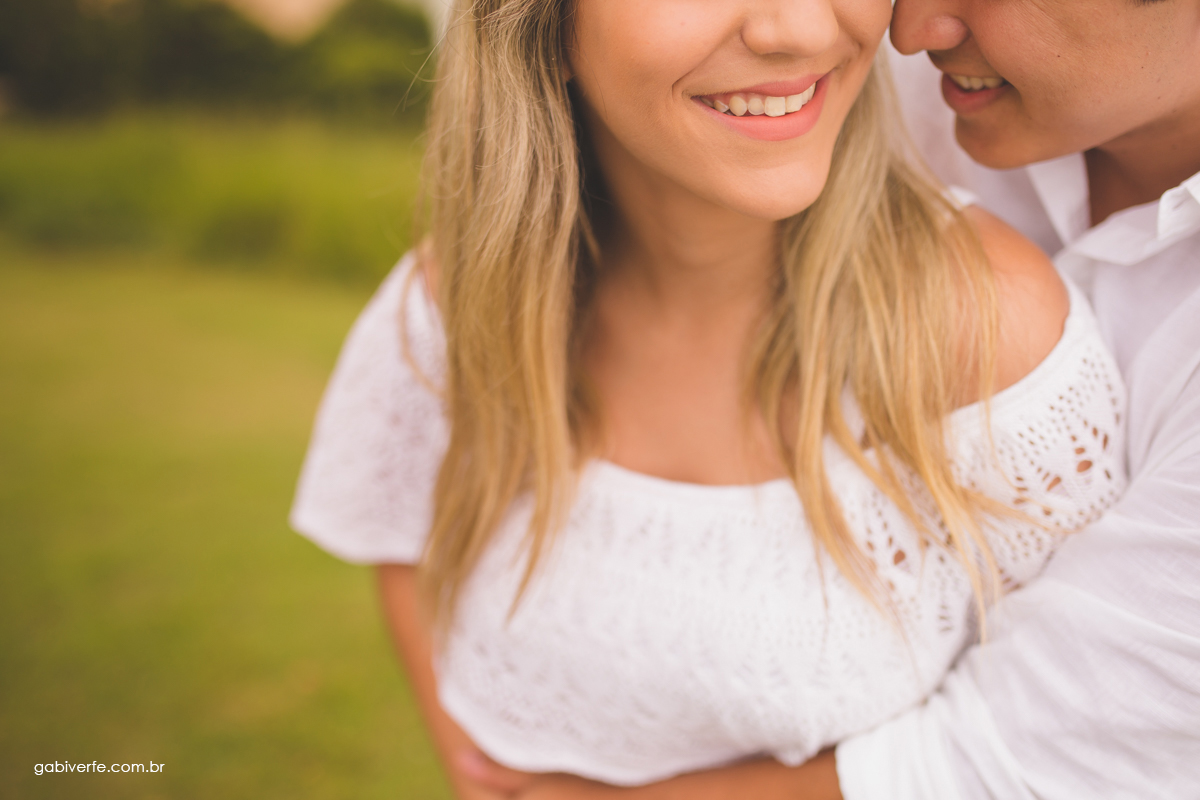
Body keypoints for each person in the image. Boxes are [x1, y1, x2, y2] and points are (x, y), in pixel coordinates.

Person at [288, 1, 1128, 798]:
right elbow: (403, 542)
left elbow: (1069, 748)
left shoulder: (983, 333)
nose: (798, 28)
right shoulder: (457, 308)